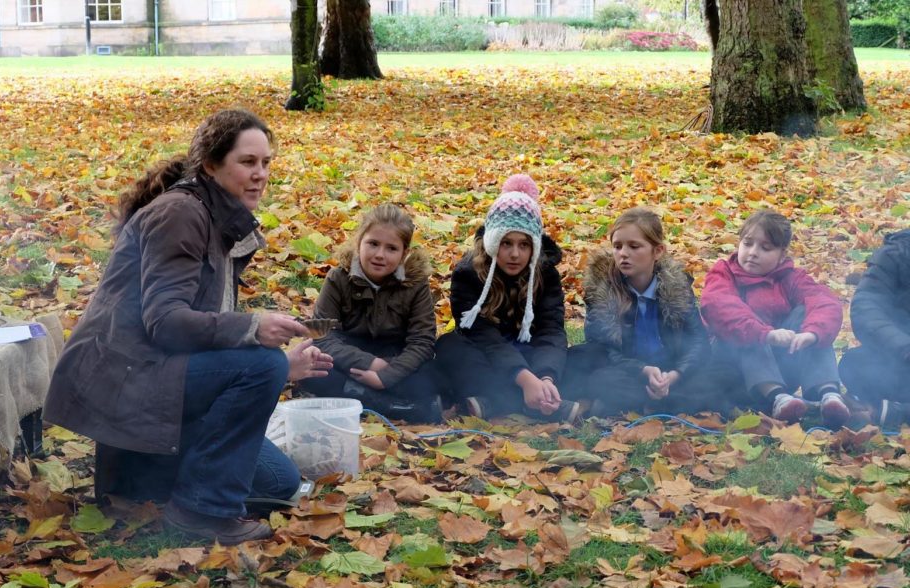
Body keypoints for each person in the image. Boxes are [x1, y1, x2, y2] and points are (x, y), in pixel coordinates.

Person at [43, 109, 332, 546]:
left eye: (266, 163)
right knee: (263, 366)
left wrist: (279, 364)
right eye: (247, 162)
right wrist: (253, 330)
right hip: (126, 382)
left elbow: (203, 331)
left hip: (158, 376)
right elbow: (166, 323)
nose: (260, 175)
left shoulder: (217, 217)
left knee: (279, 481)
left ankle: (143, 477)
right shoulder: (181, 213)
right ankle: (201, 510)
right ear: (211, 165)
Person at [435, 174, 583, 421]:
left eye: (524, 245)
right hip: (489, 359)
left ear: (534, 246)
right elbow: (483, 337)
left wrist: (545, 378)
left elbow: (551, 331)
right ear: (493, 241)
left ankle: (506, 401)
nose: (515, 254)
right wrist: (524, 379)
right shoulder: (468, 273)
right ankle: (530, 403)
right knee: (449, 346)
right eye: (506, 243)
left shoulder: (545, 274)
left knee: (584, 356)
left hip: (533, 357)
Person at [701, 210, 848, 426]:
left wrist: (812, 334)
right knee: (748, 323)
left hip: (781, 366)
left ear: (781, 254)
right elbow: (718, 305)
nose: (753, 253)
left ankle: (828, 394)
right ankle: (776, 398)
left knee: (812, 321)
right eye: (747, 243)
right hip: (732, 371)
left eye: (765, 248)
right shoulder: (724, 273)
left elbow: (824, 301)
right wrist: (765, 334)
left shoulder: (791, 278)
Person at [300, 203, 441, 422]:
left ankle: (367, 398)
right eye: (373, 244)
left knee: (431, 377)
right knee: (313, 371)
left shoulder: (416, 283)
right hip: (349, 358)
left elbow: (422, 341)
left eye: (391, 248)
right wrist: (370, 363)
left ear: (404, 253)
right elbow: (323, 336)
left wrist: (386, 376)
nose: (380, 255)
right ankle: (391, 406)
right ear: (359, 242)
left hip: (395, 359)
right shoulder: (338, 278)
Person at [582, 207, 722, 417]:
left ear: (657, 251)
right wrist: (642, 370)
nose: (623, 254)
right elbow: (601, 350)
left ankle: (638, 404)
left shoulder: (676, 288)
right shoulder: (603, 291)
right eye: (617, 246)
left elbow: (698, 342)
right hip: (630, 371)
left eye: (634, 246)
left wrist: (676, 374)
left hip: (671, 369)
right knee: (598, 377)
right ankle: (663, 403)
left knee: (722, 373)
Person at [839, 228, 910, 430]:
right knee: (854, 364)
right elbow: (866, 307)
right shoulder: (896, 253)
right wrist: (903, 346)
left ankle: (894, 412)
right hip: (901, 361)